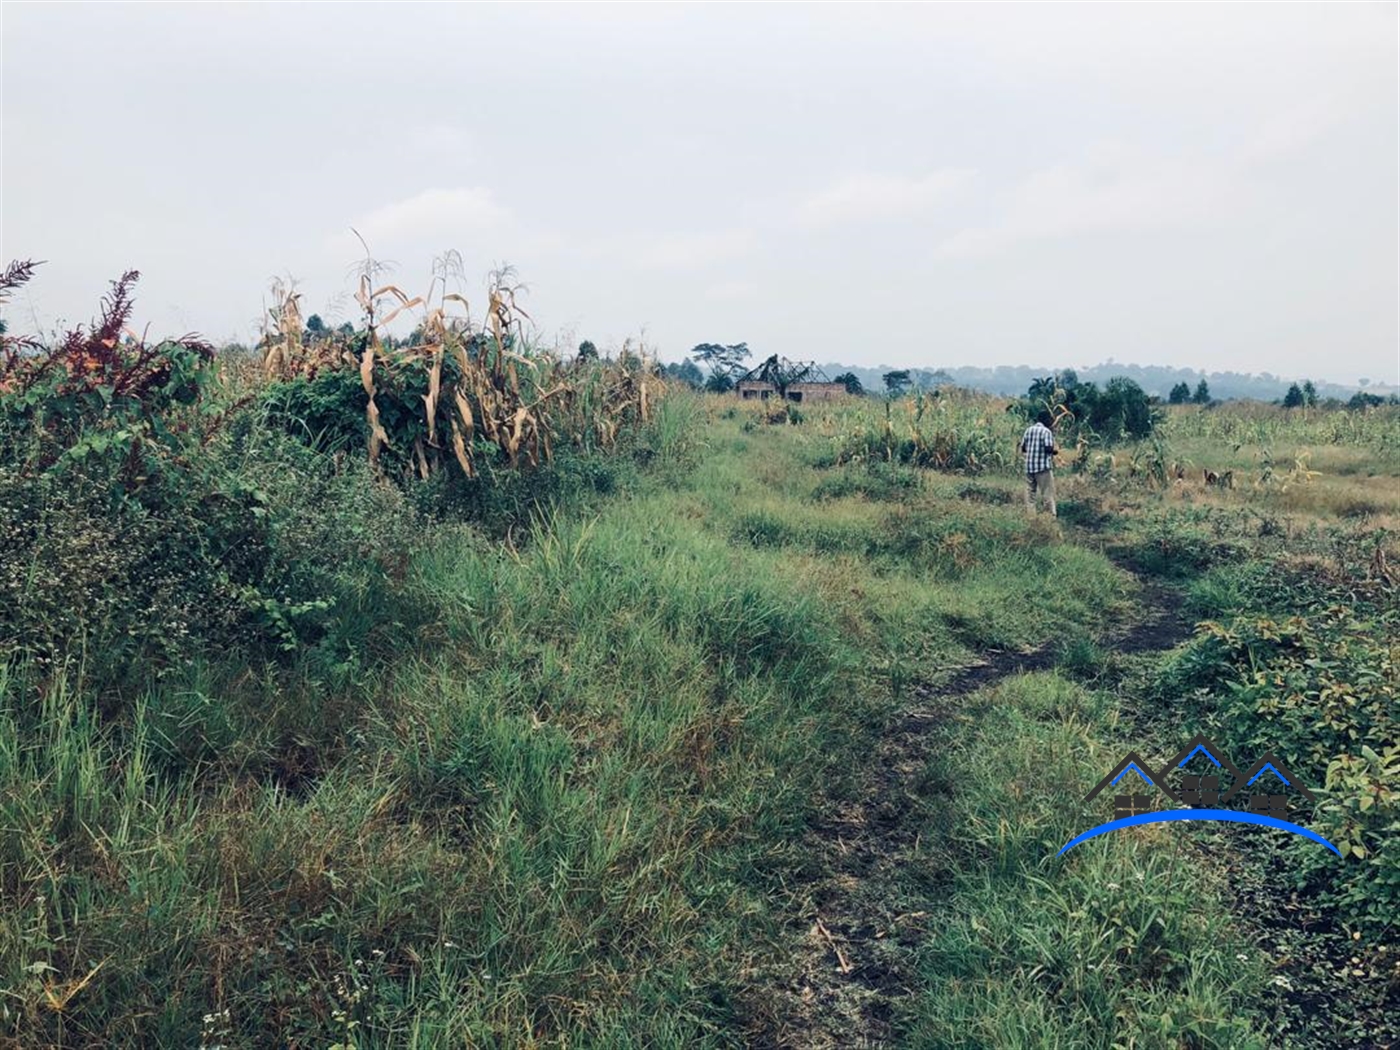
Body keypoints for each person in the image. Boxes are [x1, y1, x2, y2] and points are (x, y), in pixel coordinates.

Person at [1020, 409, 1058, 516]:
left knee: (1030, 495)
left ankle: (1031, 517)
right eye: (1050, 419)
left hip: (1029, 467)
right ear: (1045, 420)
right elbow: (1048, 449)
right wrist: (1056, 452)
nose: (1051, 422)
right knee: (1047, 493)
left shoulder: (1028, 430)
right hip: (1042, 468)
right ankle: (1050, 518)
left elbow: (1023, 448)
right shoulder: (1046, 431)